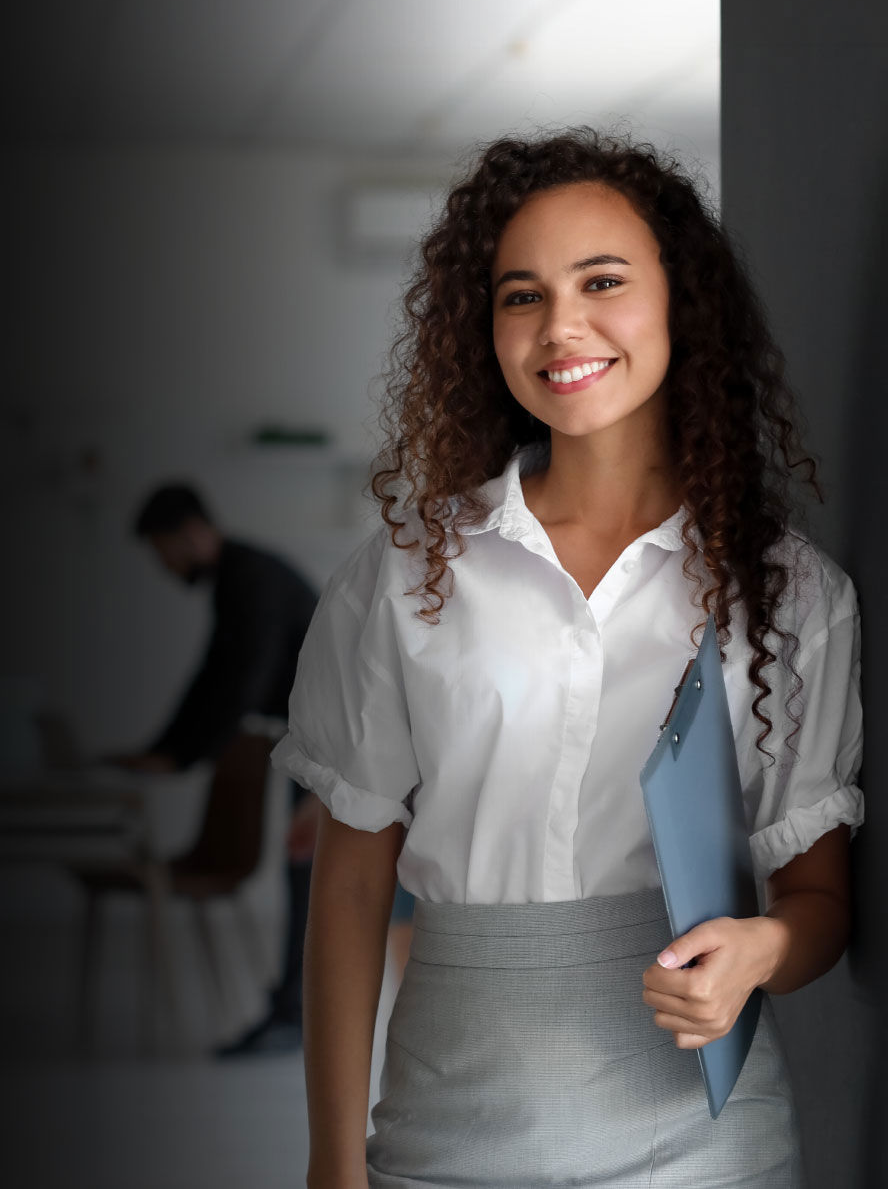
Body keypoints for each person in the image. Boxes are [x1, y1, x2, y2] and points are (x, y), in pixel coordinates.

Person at [271, 130, 863, 1187]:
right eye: (520, 295)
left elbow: (819, 892)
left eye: (602, 281)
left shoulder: (793, 591)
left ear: (682, 299)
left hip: (704, 1142)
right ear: (482, 328)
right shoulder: (406, 575)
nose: (561, 326)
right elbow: (353, 882)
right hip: (442, 1125)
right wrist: (331, 1161)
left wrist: (761, 954)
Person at [118, 483, 322, 1054]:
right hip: (317, 737)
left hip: (332, 741)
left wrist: (182, 755)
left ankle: (295, 1016)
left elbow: (240, 683)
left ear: (189, 533)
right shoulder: (238, 577)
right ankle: (293, 1012)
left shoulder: (249, 579)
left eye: (161, 549)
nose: (163, 565)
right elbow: (215, 677)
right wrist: (169, 751)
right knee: (305, 879)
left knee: (308, 881)